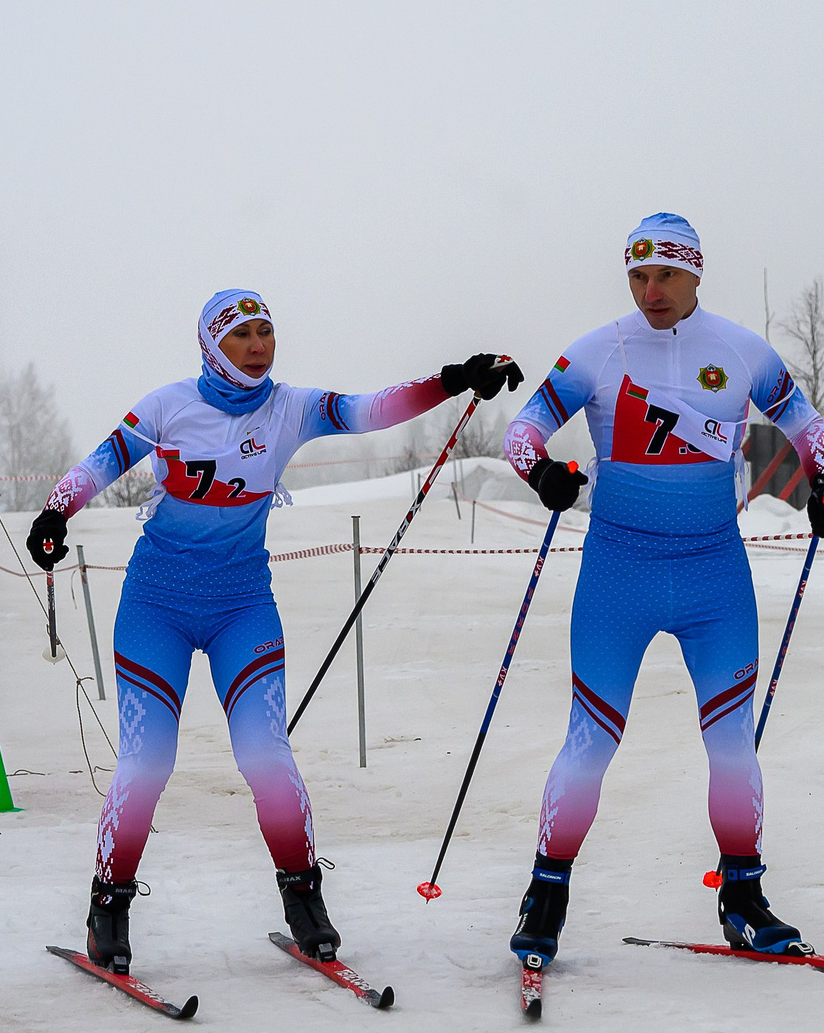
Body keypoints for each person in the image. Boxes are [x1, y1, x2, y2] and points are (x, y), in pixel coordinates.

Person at [27, 289, 520, 974]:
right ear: (210, 346)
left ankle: (303, 897)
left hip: (241, 606)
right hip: (156, 606)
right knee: (147, 764)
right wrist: (56, 511)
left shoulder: (290, 407)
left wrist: (454, 380)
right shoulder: (169, 406)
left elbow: (371, 410)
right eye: (242, 334)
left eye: (266, 330)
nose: (259, 343)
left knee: (266, 756)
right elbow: (103, 462)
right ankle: (108, 903)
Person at [500, 214, 824, 968]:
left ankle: (744, 899)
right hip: (618, 572)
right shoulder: (600, 350)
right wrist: (545, 473)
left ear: (695, 273)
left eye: (664, 275)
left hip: (712, 574)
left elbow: (804, 420)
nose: (650, 290)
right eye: (637, 276)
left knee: (731, 744)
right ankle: (546, 893)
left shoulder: (739, 350)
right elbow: (521, 430)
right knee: (590, 742)